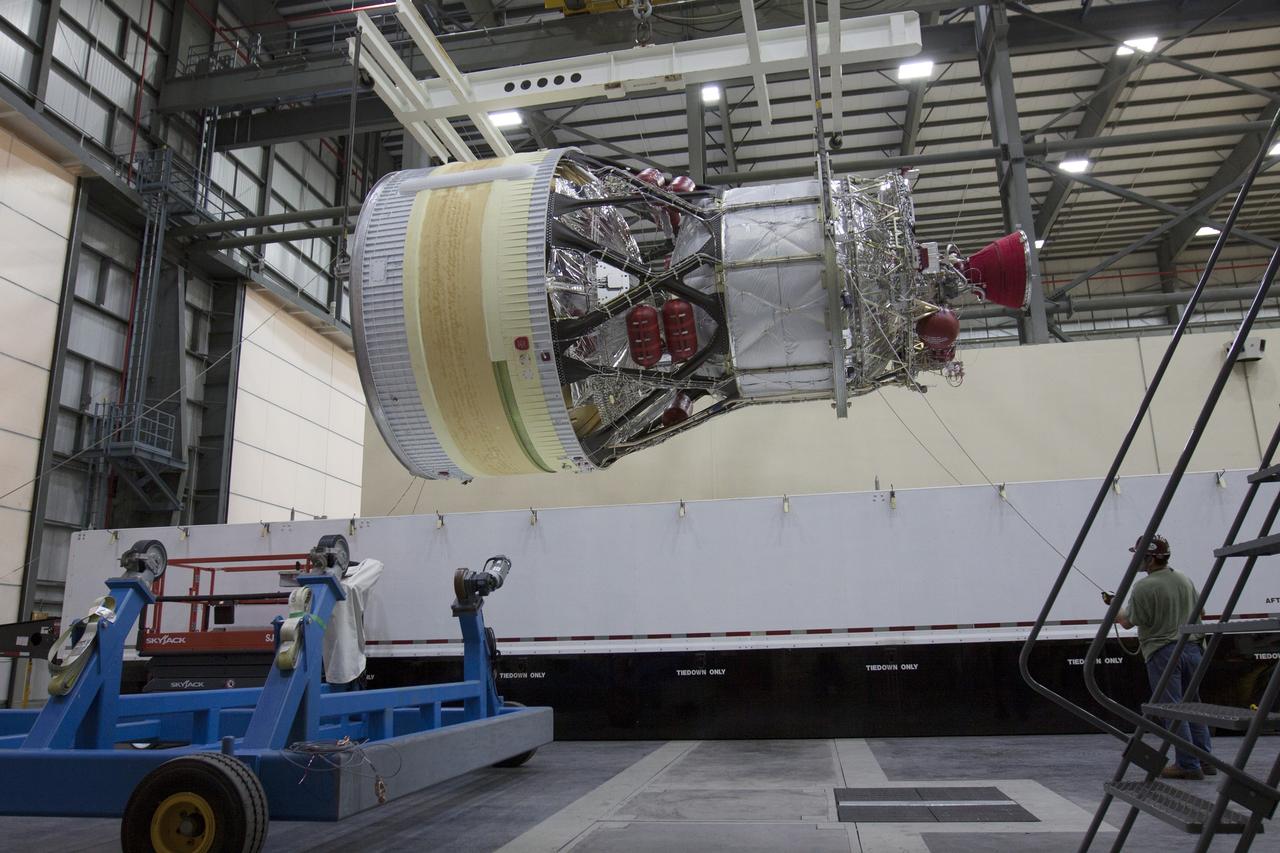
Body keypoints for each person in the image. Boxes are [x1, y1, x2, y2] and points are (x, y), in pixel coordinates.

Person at [1106, 534, 1214, 780]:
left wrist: (1113, 604)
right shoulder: (1183, 578)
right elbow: (1202, 612)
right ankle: (1205, 760)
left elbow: (1127, 622)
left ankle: (1187, 765)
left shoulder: (1144, 586)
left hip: (1163, 651)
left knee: (1171, 709)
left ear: (1150, 558)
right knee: (1193, 705)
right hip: (1194, 648)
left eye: (1139, 556)